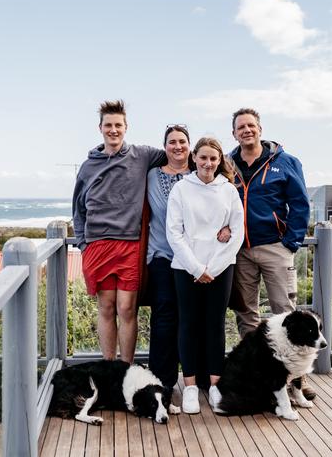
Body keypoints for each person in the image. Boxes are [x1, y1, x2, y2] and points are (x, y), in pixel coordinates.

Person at [227, 107, 313, 398]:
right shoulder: (228, 165)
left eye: (251, 126)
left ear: (260, 130)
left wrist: (290, 242)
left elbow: (300, 204)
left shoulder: (285, 162)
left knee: (287, 314)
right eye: (241, 127)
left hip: (275, 248)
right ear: (234, 133)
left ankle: (296, 382)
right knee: (246, 314)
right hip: (240, 251)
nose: (246, 131)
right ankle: (257, 376)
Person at [72, 100, 166, 363]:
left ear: (126, 127)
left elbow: (178, 154)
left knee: (126, 308)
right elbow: (77, 209)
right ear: (100, 128)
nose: (113, 130)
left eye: (118, 125)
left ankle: (125, 370)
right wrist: (83, 244)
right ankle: (109, 368)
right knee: (106, 307)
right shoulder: (88, 166)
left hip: (130, 244)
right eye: (108, 125)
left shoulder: (143, 154)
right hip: (97, 245)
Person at [146, 125, 230, 389]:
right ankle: (162, 382)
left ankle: (203, 379)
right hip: (162, 254)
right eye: (172, 142)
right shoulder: (151, 176)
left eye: (182, 141)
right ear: (165, 147)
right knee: (165, 317)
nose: (177, 146)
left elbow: (222, 205)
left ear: (191, 149)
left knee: (199, 319)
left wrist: (227, 227)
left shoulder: (201, 176)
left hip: (197, 260)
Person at [166, 137, 244, 414]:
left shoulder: (229, 191)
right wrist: (197, 269)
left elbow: (237, 232)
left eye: (213, 158)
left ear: (220, 160)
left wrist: (215, 268)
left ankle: (214, 385)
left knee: (215, 325)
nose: (208, 163)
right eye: (203, 158)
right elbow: (174, 232)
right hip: (186, 269)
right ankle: (188, 387)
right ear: (194, 158)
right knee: (187, 325)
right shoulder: (181, 189)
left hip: (221, 269)